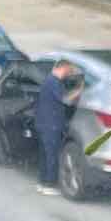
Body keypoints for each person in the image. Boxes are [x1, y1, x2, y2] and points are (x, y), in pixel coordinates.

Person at [32, 56, 79, 190]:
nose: (69, 74)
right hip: (51, 125)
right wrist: (78, 91)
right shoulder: (54, 82)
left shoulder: (49, 80)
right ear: (63, 68)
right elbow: (65, 99)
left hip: (43, 123)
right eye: (69, 70)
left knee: (45, 154)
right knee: (52, 155)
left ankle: (42, 182)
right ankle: (50, 185)